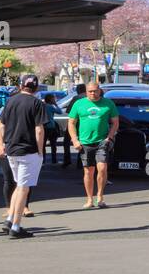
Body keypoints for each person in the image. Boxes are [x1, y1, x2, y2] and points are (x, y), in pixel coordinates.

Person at [0, 75, 46, 238]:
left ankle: (10, 218)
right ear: (36, 88)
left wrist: (1, 144)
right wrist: (40, 151)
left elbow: (0, 124)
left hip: (12, 150)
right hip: (28, 150)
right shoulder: (37, 103)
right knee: (24, 188)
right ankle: (16, 226)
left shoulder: (10, 101)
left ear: (21, 86)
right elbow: (39, 129)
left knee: (19, 185)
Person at [68, 82, 120, 210]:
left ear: (99, 91)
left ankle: (100, 196)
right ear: (86, 92)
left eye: (95, 91)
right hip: (85, 143)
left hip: (102, 141)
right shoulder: (79, 104)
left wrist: (110, 137)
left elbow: (115, 122)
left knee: (102, 168)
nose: (93, 93)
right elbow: (71, 123)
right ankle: (89, 199)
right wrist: (75, 140)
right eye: (90, 91)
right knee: (88, 171)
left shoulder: (108, 103)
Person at [42, 93, 69, 166]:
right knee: (53, 144)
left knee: (43, 145)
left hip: (43, 127)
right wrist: (55, 104)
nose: (55, 99)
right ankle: (54, 160)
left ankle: (43, 161)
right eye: (53, 98)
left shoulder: (42, 106)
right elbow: (60, 112)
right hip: (51, 127)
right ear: (51, 99)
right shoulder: (50, 107)